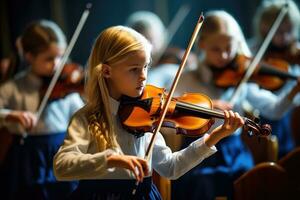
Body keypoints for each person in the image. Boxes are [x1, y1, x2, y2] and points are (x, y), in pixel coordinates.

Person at [53, 25, 245, 199]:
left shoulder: (146, 115)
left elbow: (171, 168)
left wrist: (214, 137)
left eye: (146, 67)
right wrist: (110, 159)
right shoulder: (87, 117)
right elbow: (62, 167)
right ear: (106, 71)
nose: (144, 76)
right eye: (134, 69)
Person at [172, 10, 300, 200]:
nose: (224, 55)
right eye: (216, 49)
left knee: (250, 182)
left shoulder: (243, 76)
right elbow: (170, 109)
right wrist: (208, 106)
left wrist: (294, 90)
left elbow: (275, 110)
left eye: (229, 48)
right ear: (202, 44)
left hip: (234, 151)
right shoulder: (188, 77)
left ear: (238, 44)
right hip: (198, 152)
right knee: (202, 184)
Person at [0, 19, 84, 199]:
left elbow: (82, 115)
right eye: (49, 59)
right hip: (28, 157)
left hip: (62, 152)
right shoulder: (14, 87)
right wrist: (10, 116)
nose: (56, 64)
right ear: (29, 56)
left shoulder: (66, 86)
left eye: (60, 57)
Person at [251, 0, 300, 157]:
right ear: (264, 30)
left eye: (289, 30)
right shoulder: (255, 51)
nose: (285, 37)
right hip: (266, 115)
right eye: (278, 32)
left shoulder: (296, 52)